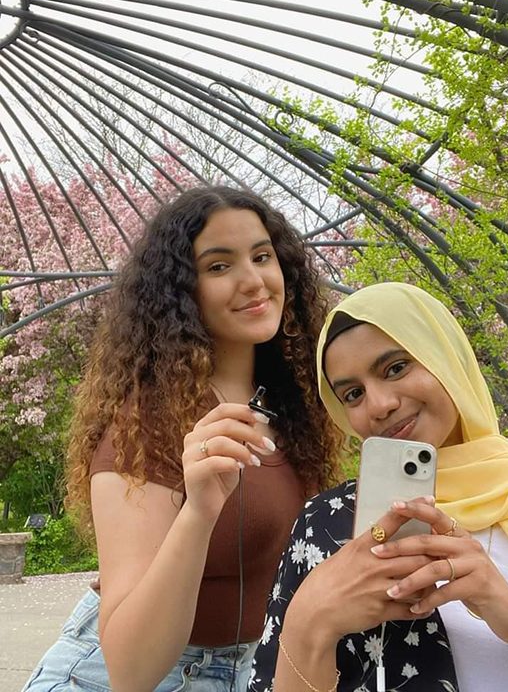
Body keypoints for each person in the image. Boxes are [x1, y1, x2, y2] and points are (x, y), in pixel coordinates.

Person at [21, 185, 342, 692]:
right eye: (218, 266)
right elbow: (130, 670)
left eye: (263, 256)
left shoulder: (297, 406)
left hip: (256, 667)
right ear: (179, 292)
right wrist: (198, 512)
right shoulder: (147, 419)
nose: (253, 280)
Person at [249, 282, 508, 692]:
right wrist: (309, 621)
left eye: (395, 367)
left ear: (446, 358)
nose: (379, 405)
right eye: (353, 394)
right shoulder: (325, 526)